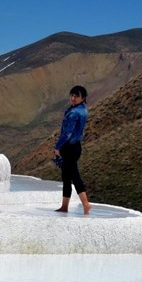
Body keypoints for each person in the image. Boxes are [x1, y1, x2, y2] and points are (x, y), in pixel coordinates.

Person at [53, 85, 92, 215]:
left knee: (74, 176)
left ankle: (86, 204)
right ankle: (64, 206)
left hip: (69, 147)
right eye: (72, 95)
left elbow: (67, 134)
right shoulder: (81, 110)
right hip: (75, 146)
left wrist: (57, 147)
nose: (73, 98)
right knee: (67, 176)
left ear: (83, 98)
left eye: (76, 96)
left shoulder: (74, 112)